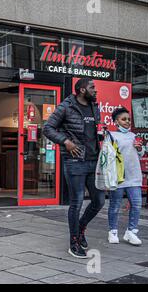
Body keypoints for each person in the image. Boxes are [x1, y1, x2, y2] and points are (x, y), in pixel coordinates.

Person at [43, 77, 105, 259]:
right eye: (92, 87)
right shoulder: (66, 106)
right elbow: (47, 128)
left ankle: (81, 228)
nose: (96, 90)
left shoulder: (95, 106)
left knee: (99, 200)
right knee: (76, 203)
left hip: (94, 161)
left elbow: (94, 131)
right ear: (82, 90)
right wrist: (66, 142)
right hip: (75, 161)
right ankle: (74, 242)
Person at [108, 107, 144, 246]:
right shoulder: (111, 136)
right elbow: (108, 155)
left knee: (136, 205)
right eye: (124, 119)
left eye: (129, 119)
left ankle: (131, 232)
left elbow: (141, 154)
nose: (127, 122)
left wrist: (140, 148)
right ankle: (113, 231)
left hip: (134, 177)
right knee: (115, 206)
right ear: (116, 122)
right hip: (118, 178)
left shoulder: (134, 136)